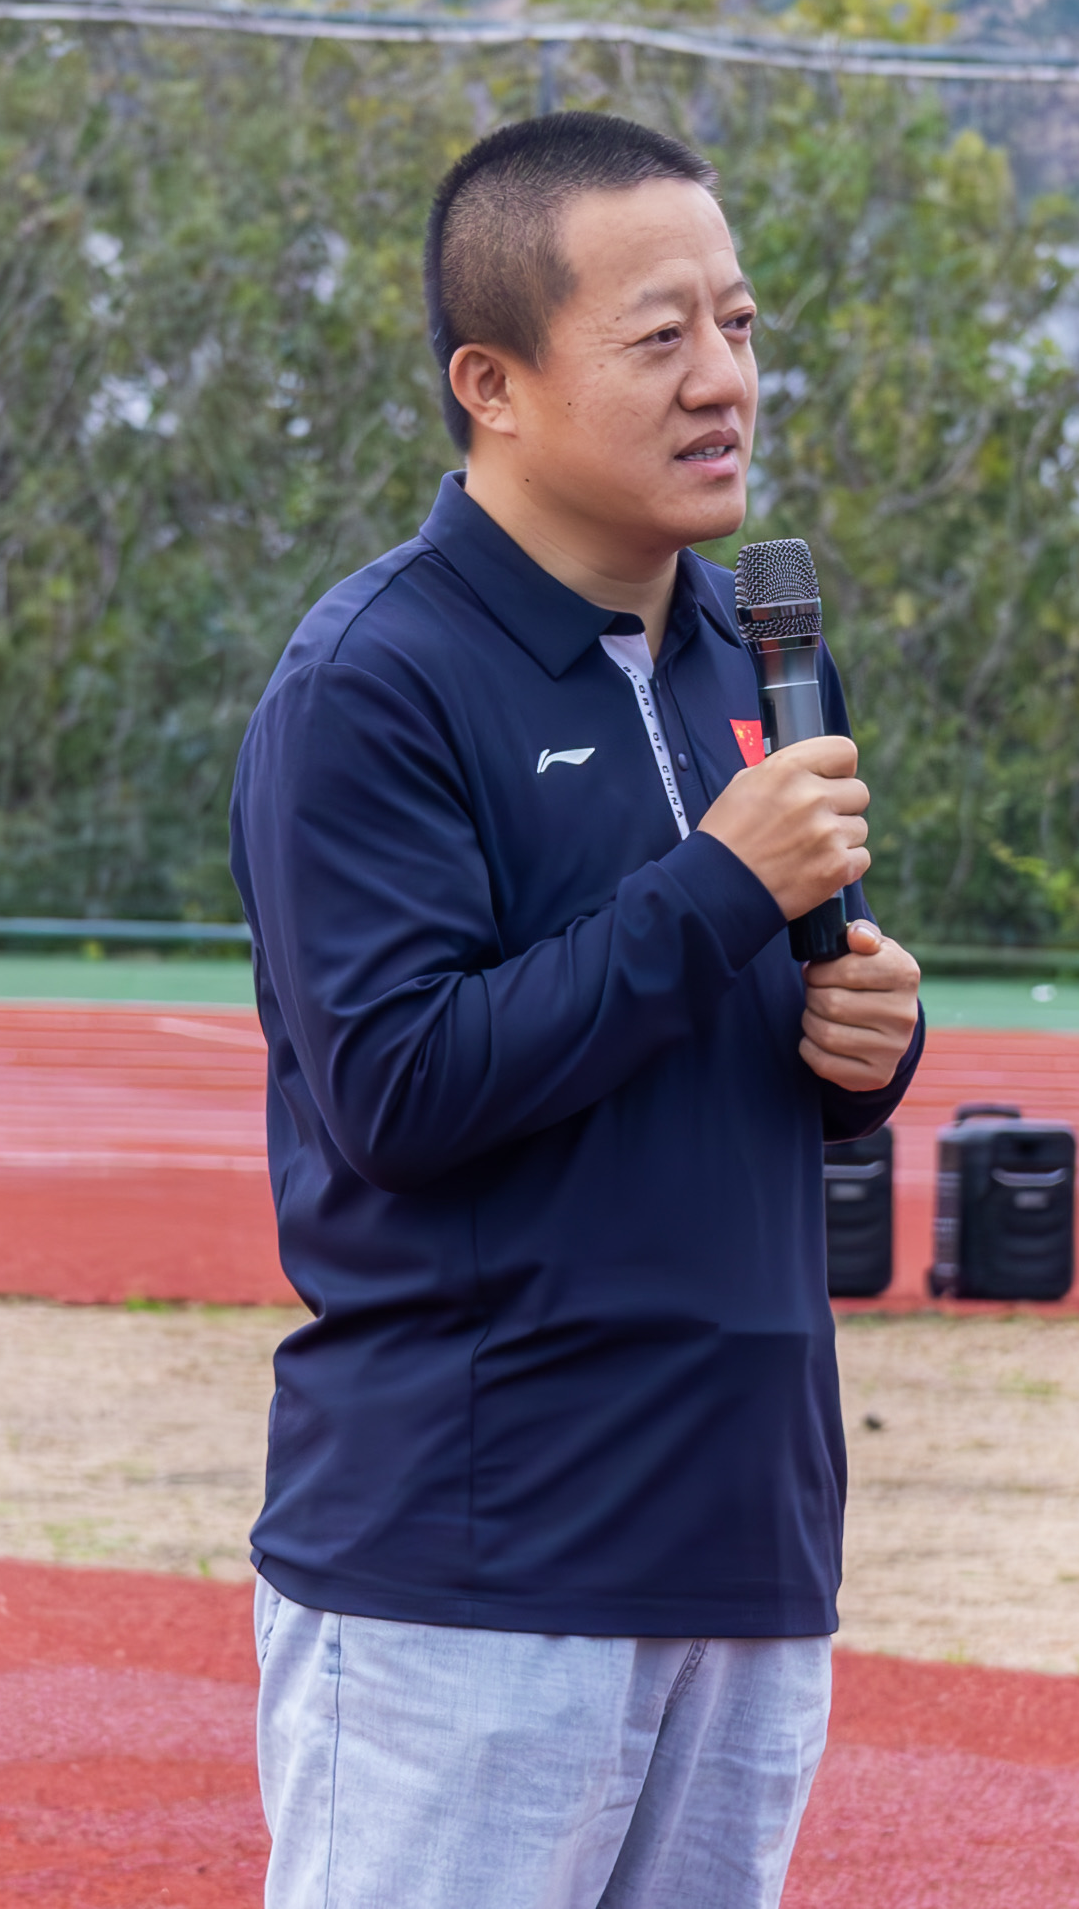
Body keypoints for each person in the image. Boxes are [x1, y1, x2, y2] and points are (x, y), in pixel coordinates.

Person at [226, 110, 928, 1909]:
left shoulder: (763, 652)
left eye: (740, 326)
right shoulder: (375, 680)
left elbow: (758, 994)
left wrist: (864, 1043)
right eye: (659, 337)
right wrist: (714, 890)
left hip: (745, 1544)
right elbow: (397, 1090)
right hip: (476, 1571)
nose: (723, 381)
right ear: (493, 384)